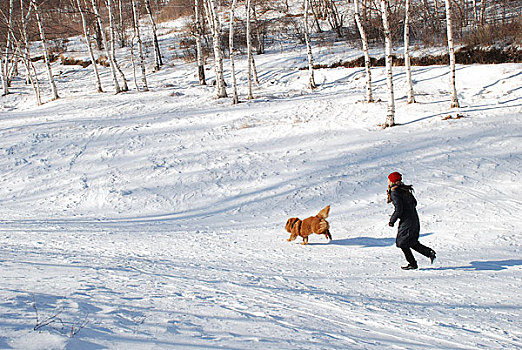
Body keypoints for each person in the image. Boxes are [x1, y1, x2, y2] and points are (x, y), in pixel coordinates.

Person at [387, 172, 436, 270]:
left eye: (389, 179)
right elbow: (414, 203)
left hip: (407, 221)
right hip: (413, 219)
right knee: (410, 241)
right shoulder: (404, 190)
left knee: (402, 243)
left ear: (392, 181)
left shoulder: (395, 192)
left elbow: (399, 209)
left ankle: (413, 263)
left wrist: (392, 220)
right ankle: (427, 253)